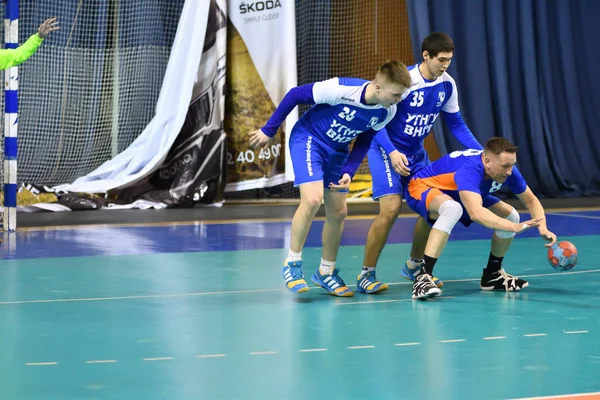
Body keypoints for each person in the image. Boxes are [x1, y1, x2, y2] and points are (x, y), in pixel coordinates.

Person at [249, 60, 412, 297]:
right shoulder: (341, 90)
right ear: (378, 87)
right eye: (396, 94)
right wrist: (269, 130)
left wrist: (349, 170)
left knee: (339, 212)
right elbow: (295, 95)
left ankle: (326, 272)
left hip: (338, 150)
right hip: (309, 139)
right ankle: (292, 263)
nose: (399, 100)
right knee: (313, 200)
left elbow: (366, 138)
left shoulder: (388, 110)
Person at [351, 32, 483, 295]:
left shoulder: (447, 85)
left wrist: (480, 152)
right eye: (441, 60)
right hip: (385, 150)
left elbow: (455, 123)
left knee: (434, 206)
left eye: (449, 60)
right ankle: (366, 274)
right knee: (390, 209)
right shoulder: (406, 82)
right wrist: (391, 151)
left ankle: (415, 265)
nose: (445, 65)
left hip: (416, 155)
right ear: (426, 56)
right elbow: (376, 119)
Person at [403, 137, 557, 299]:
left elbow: (531, 200)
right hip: (423, 186)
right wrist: (513, 227)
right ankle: (423, 276)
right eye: (505, 166)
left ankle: (493, 275)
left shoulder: (507, 169)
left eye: (512, 165)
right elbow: (476, 213)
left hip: (458, 190)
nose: (510, 171)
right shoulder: (470, 170)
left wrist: (543, 226)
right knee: (452, 209)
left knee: (511, 215)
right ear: (487, 161)